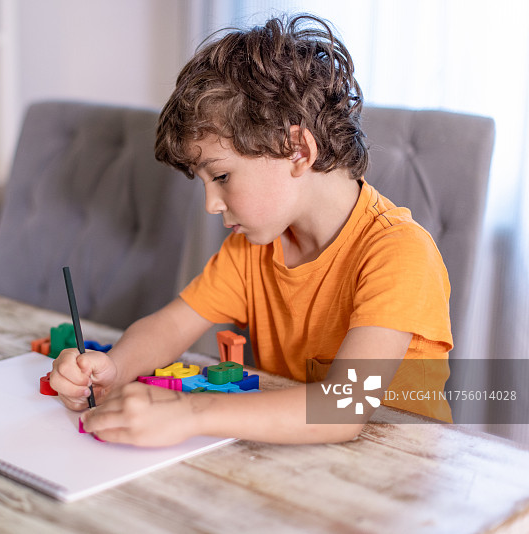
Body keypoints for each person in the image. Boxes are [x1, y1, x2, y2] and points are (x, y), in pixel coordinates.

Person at [49, 13, 453, 447]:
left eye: (220, 177)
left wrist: (190, 413)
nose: (210, 204)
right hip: (301, 466)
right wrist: (114, 367)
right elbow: (170, 326)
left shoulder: (400, 252)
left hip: (396, 479)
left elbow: (342, 409)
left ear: (298, 150)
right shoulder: (254, 248)